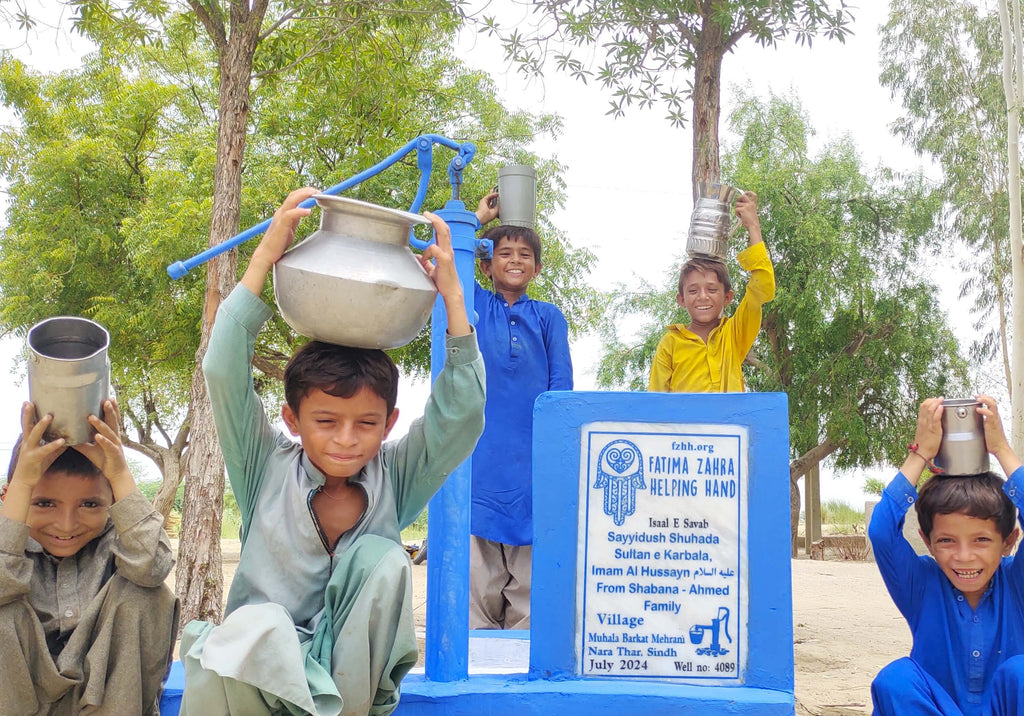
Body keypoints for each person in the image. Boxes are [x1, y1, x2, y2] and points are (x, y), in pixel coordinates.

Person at [179, 187, 485, 716]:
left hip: (351, 696)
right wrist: (265, 257)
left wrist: (452, 298)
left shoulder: (396, 478)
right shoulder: (264, 467)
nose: (347, 439)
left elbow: (460, 417)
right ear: (292, 420)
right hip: (257, 683)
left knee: (385, 558)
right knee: (261, 623)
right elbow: (223, 369)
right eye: (326, 422)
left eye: (365, 423)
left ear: (389, 423)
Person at [0, 399, 178, 715]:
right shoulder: (9, 543)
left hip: (110, 703)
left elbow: (154, 566)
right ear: (10, 498)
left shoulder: (121, 542)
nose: (66, 526)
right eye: (44, 504)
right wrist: (23, 481)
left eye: (89, 505)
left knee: (146, 594)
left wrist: (119, 472)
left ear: (111, 501)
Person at [869, 395, 1024, 715]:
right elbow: (882, 532)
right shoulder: (921, 584)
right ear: (927, 541)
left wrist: (1001, 450)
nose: (964, 556)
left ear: (1008, 541)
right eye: (947, 541)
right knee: (896, 679)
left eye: (981, 540)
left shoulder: (1016, 582)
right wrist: (921, 454)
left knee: (1020, 671)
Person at [469, 193, 572, 630]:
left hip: (532, 470)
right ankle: (476, 676)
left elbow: (561, 392)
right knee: (478, 586)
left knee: (529, 590)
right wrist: (477, 219)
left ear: (538, 267)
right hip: (477, 463)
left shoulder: (549, 318)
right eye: (503, 253)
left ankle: (519, 676)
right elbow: (437, 263)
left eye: (524, 254)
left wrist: (554, 462)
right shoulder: (473, 307)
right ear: (485, 266)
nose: (514, 260)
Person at [647, 191, 775, 392]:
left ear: (727, 297)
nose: (703, 296)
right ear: (681, 299)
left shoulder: (734, 334)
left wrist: (753, 225)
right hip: (683, 424)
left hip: (731, 424)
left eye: (712, 289)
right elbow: (655, 402)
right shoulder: (670, 343)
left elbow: (761, 288)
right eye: (693, 290)